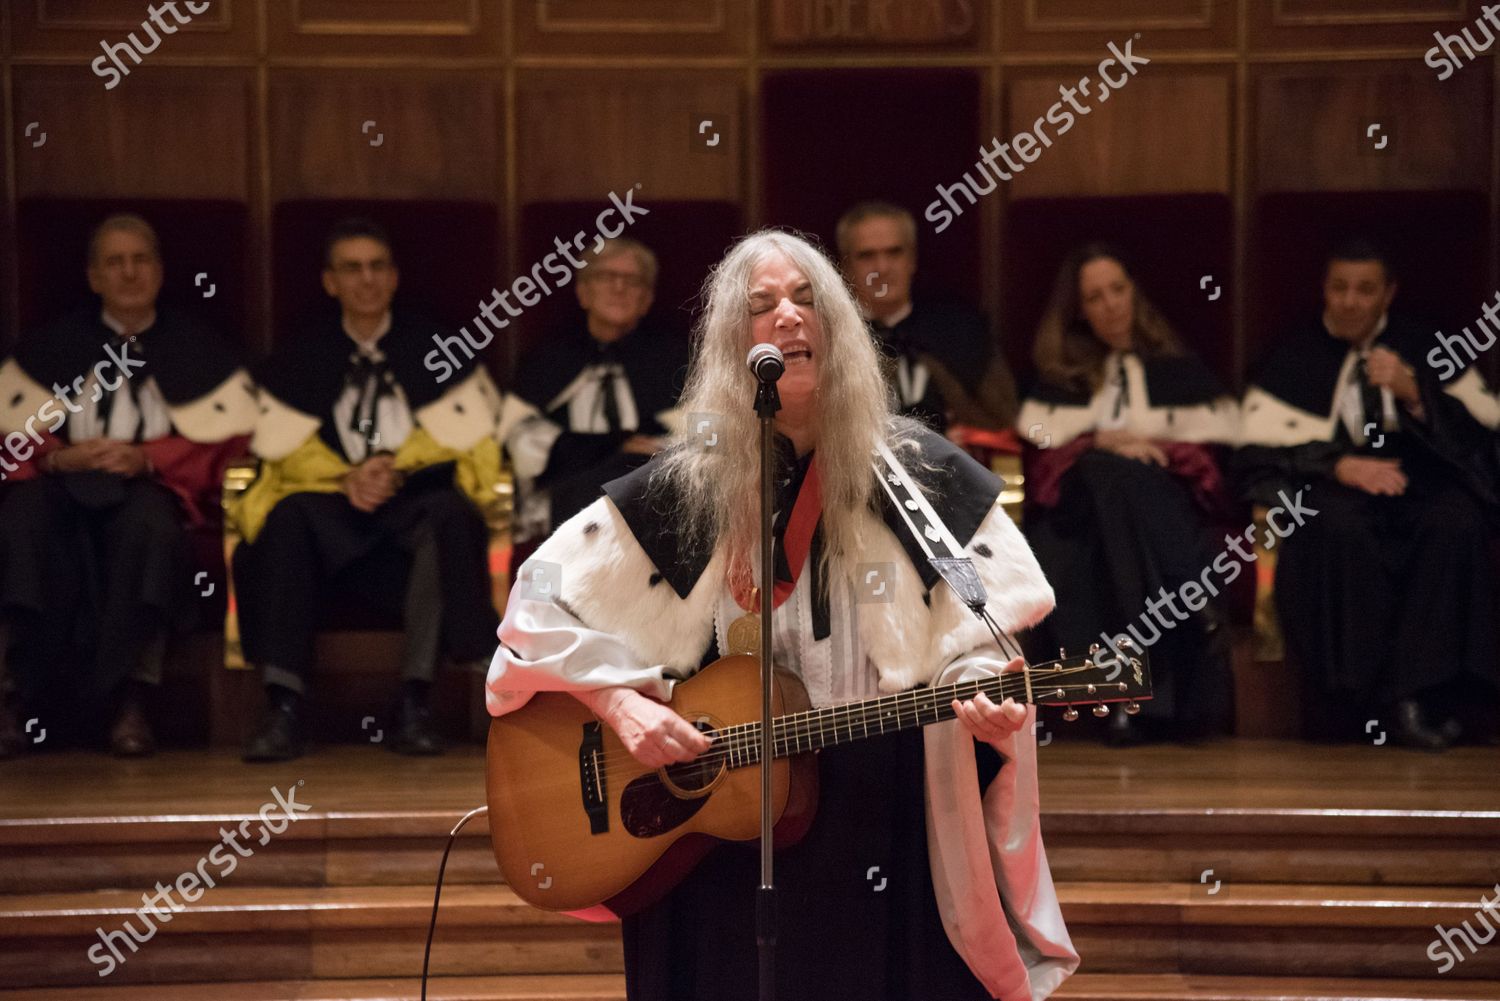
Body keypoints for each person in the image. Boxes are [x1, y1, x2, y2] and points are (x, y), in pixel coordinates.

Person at [487, 230, 1078, 1000]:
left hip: (881, 805)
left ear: (840, 330)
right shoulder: (678, 490)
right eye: (762, 306)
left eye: (807, 301)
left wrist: (986, 703)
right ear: (733, 343)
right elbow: (534, 612)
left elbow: (980, 640)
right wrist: (619, 702)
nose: (788, 318)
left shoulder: (924, 476)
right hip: (722, 827)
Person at [230, 218, 504, 762]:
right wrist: (345, 477)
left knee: (449, 516)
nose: (367, 280)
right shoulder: (299, 355)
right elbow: (277, 448)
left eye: (377, 267)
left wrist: (394, 468)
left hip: (412, 500)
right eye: (352, 269)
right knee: (285, 517)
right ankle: (283, 705)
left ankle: (416, 703)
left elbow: (473, 440)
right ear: (330, 282)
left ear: (395, 277)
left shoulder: (439, 349)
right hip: (331, 504)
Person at [0, 213, 255, 757]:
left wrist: (148, 457)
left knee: (151, 531)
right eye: (115, 263)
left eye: (140, 260)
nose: (129, 273)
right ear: (94, 277)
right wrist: (54, 457)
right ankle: (15, 697)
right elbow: (8, 436)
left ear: (160, 272)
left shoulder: (202, 352)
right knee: (22, 521)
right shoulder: (48, 348)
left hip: (151, 485)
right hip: (59, 481)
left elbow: (231, 443)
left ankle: (131, 700)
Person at [1234, 239, 1498, 748]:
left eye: (1365, 290)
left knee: (1456, 521)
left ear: (1388, 294)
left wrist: (1417, 394)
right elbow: (1251, 459)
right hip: (1332, 489)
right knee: (1338, 527)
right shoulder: (1292, 355)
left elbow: (1482, 446)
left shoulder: (1430, 346)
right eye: (1339, 288)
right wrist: (1337, 464)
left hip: (1420, 478)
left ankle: (1422, 697)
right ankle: (1358, 704)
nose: (1350, 301)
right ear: (1324, 291)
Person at [1016, 242, 1239, 744]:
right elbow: (1041, 454)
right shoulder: (1060, 380)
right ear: (1078, 312)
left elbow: (1212, 461)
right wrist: (1100, 441)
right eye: (1095, 298)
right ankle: (1189, 600)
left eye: (1118, 290)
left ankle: (1123, 697)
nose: (1111, 305)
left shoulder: (1177, 369)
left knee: (1118, 487)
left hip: (1159, 508)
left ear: (1136, 294)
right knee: (1100, 470)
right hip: (1079, 510)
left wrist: (1150, 450)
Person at [505, 238, 686, 549]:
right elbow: (518, 441)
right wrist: (610, 448)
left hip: (653, 497)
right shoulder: (547, 360)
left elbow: (706, 434)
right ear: (583, 292)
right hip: (565, 497)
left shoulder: (676, 359)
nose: (619, 288)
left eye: (631, 280)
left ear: (646, 298)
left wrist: (652, 451)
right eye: (605, 277)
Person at [838, 201, 1017, 433]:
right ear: (846, 266)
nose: (882, 267)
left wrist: (969, 437)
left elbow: (1004, 419)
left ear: (912, 259)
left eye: (894, 252)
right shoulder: (831, 337)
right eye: (867, 256)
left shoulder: (959, 330)